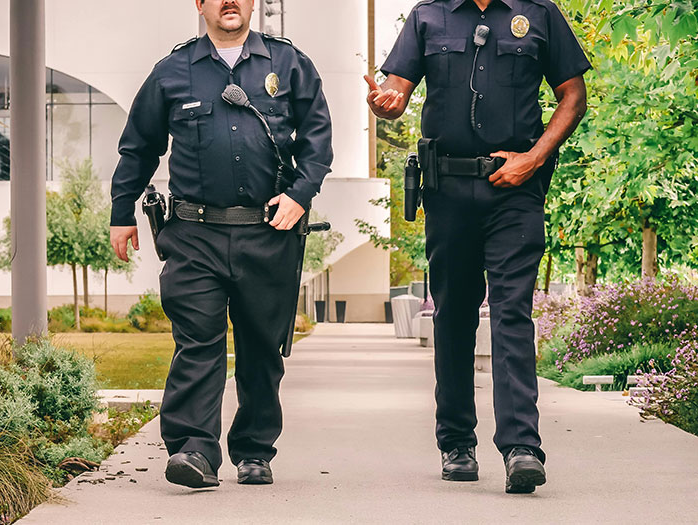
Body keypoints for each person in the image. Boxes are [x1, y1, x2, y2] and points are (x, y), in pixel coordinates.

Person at [366, 0, 589, 493]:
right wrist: (389, 102)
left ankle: (521, 447)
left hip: (516, 187)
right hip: (447, 190)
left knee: (512, 311)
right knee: (454, 313)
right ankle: (456, 442)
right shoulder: (429, 16)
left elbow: (573, 96)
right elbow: (398, 92)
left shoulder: (541, 14)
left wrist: (534, 158)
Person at [110, 0, 332, 488]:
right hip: (194, 234)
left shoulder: (289, 64)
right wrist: (121, 210)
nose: (230, 1)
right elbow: (140, 144)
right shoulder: (173, 70)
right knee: (197, 341)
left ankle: (254, 450)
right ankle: (194, 450)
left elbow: (318, 138)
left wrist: (300, 195)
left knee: (260, 349)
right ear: (200, 4)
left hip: (267, 232)